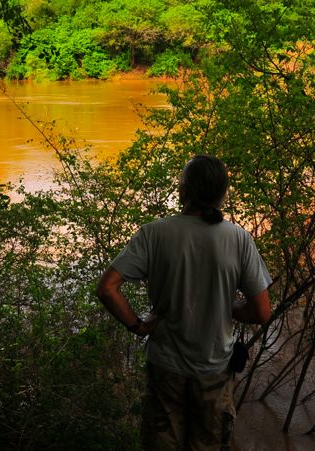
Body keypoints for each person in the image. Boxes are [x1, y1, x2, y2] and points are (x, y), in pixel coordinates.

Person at [97, 154, 272, 450]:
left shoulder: (154, 233)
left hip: (165, 369)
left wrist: (139, 326)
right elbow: (262, 311)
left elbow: (107, 288)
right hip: (214, 371)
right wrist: (229, 307)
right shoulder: (239, 239)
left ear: (184, 191)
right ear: (221, 194)